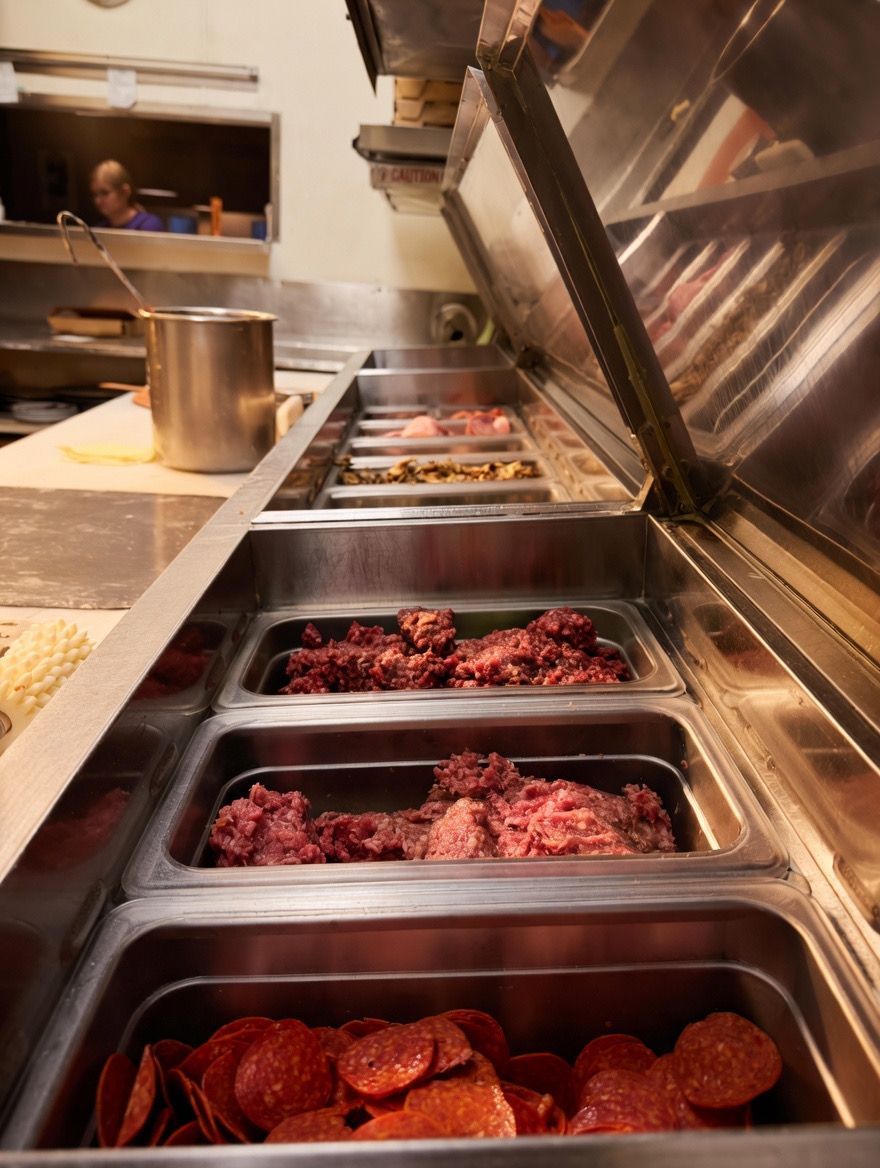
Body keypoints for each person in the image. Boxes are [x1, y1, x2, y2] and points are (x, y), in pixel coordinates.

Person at [89, 160, 164, 231]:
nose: (98, 201)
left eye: (105, 193)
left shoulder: (149, 225)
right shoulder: (99, 230)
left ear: (125, 192)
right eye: (95, 195)